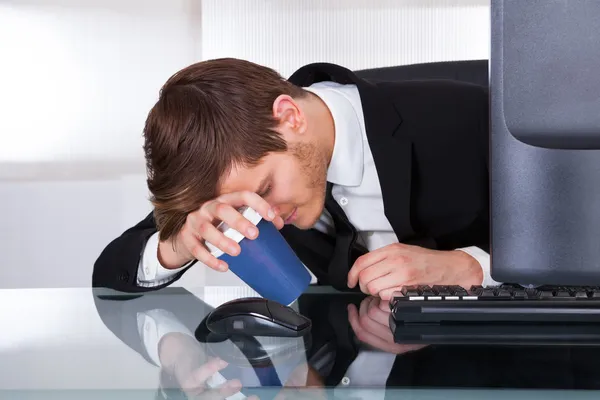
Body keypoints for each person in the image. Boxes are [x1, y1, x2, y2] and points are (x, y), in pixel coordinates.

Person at [92, 58, 494, 296]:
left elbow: (559, 239)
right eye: (246, 206)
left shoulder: (471, 117)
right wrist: (178, 243)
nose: (270, 217)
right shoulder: (234, 172)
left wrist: (471, 268)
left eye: (265, 190)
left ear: (290, 117)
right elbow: (110, 273)